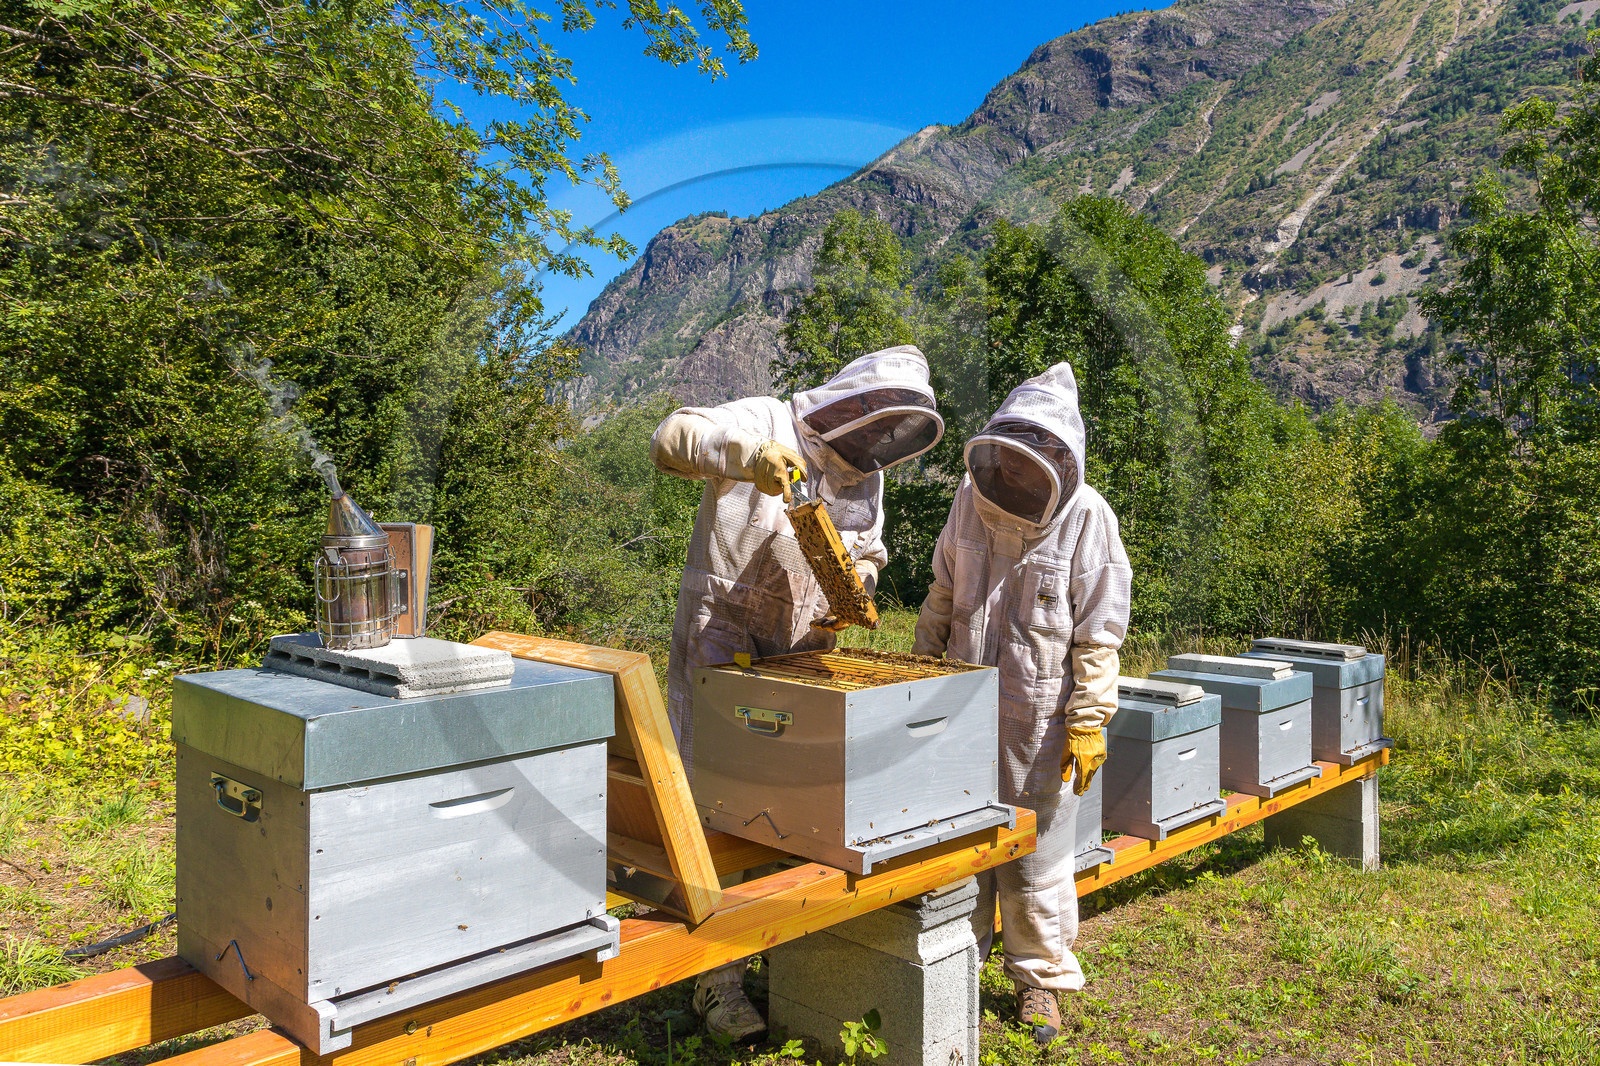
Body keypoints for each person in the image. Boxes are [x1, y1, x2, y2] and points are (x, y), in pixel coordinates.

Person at [650, 344, 945, 1040]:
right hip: (721, 640)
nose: (875, 443)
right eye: (873, 425)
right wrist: (745, 454)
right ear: (854, 402)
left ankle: (786, 957)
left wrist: (861, 586)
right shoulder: (765, 417)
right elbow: (669, 438)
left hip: (806, 648)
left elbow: (866, 549)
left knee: (791, 809)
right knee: (715, 806)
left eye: (888, 436)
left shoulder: (861, 476)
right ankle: (713, 982)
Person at [911, 362, 1131, 1045]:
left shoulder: (1088, 516)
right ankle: (960, 963)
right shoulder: (968, 498)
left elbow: (1100, 630)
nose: (1015, 473)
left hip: (1040, 717)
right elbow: (944, 593)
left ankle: (1039, 981)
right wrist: (916, 676)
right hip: (961, 699)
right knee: (963, 842)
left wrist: (1090, 717)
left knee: (1038, 857)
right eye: (1007, 457)